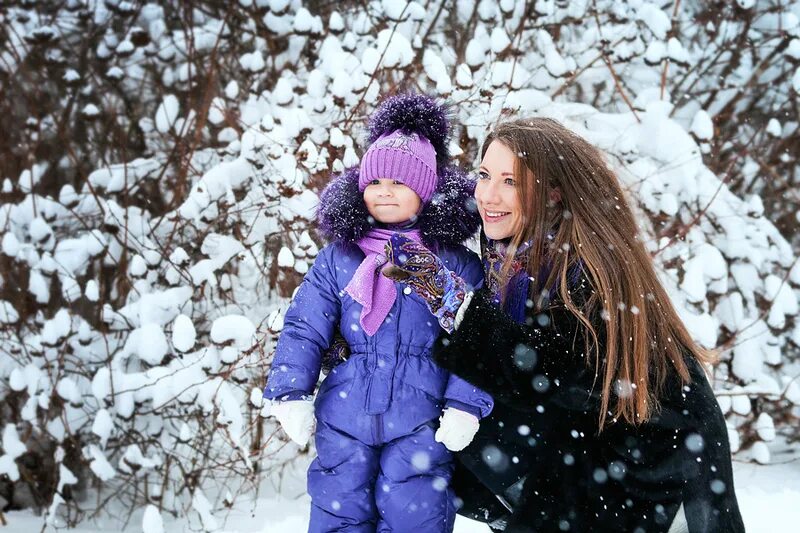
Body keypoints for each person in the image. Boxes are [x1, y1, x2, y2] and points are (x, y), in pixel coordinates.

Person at [382, 117, 745, 532]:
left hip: (646, 474)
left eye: (511, 181)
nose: (488, 195)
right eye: (484, 175)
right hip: (587, 466)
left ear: (552, 193)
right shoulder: (512, 257)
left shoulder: (587, 270)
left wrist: (456, 306)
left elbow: (551, 368)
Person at [262, 93, 494, 533]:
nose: (384, 191)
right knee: (338, 507)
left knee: (415, 510)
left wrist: (465, 405)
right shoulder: (339, 258)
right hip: (344, 417)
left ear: (425, 191)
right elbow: (305, 325)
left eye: (399, 183)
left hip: (421, 418)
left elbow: (475, 337)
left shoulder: (454, 263)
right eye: (375, 182)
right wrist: (292, 391)